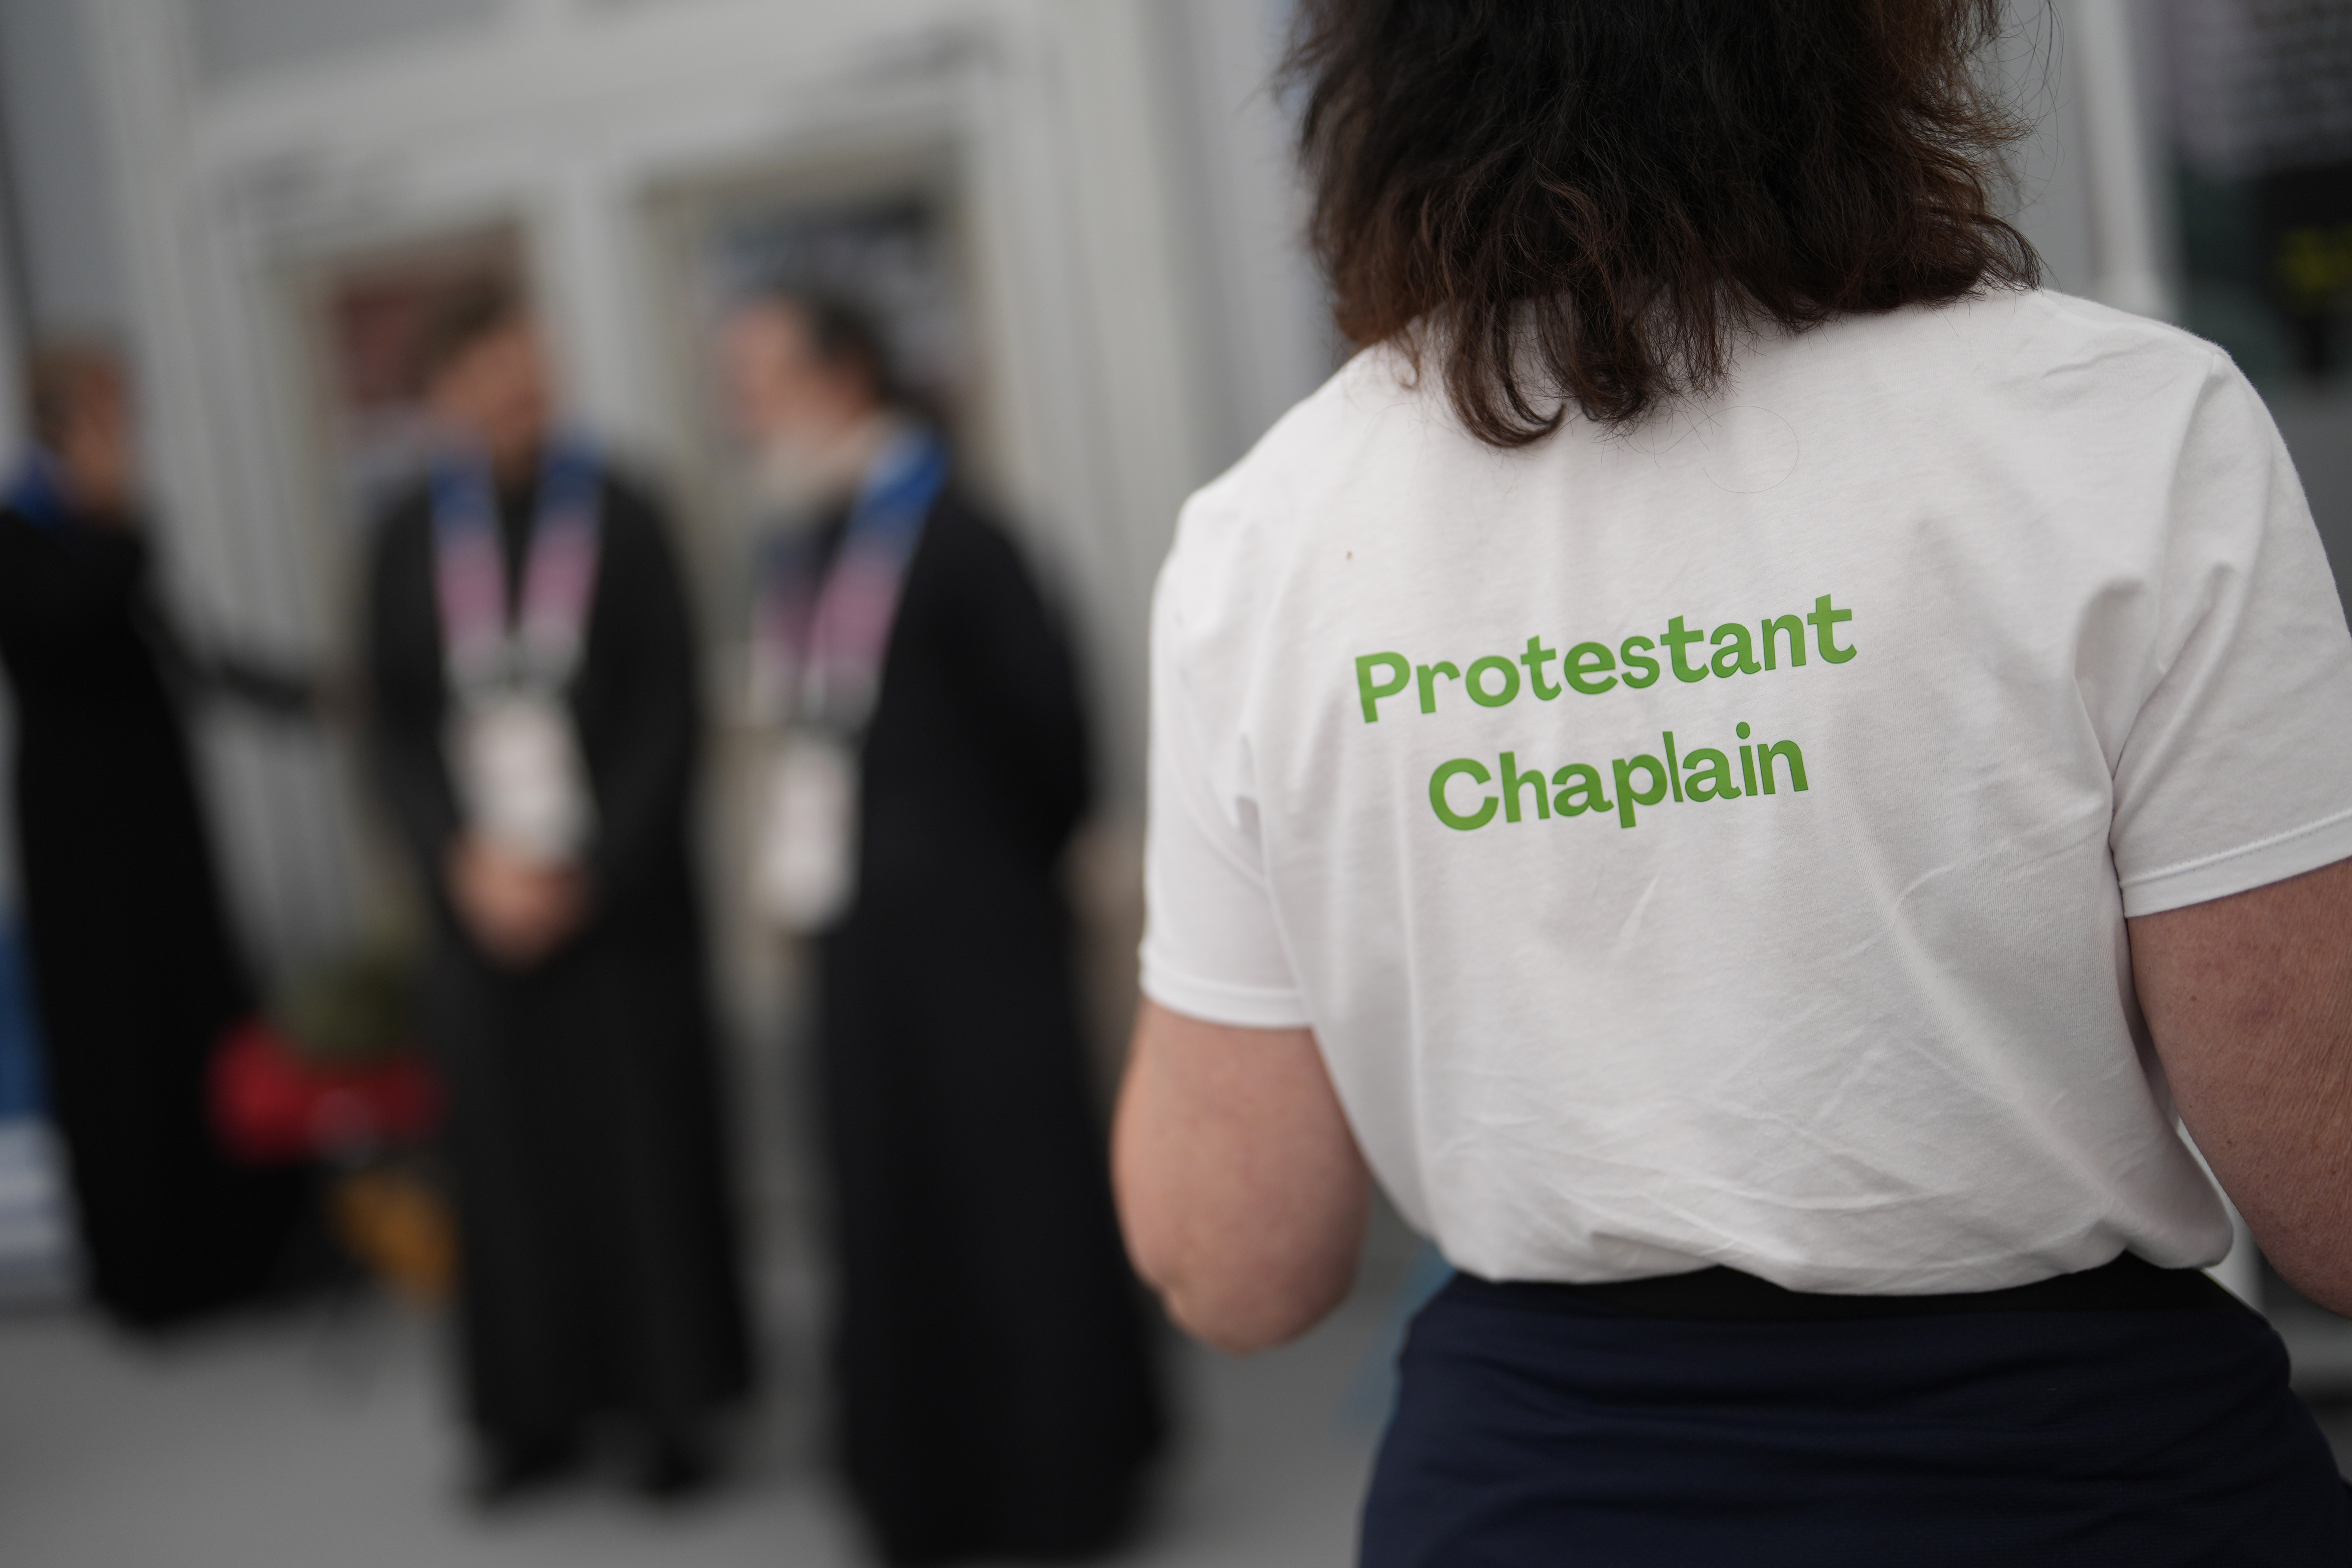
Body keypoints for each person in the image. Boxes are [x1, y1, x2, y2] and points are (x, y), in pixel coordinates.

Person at [1112, 2, 2352, 1563]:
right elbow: (2333, 1185)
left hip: (1533, 1501)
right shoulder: (2125, 432)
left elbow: (1231, 1256)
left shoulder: (1266, 542)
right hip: (2071, 1483)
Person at [722, 290, 1161, 1564]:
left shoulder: (964, 537)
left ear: (845, 370)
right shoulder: (795, 546)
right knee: (886, 1196)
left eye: (761, 372)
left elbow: (1055, 746)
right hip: (858, 952)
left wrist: (968, 875)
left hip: (977, 946)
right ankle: (923, 1477)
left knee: (1014, 1199)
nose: (741, 404)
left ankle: (1059, 1478)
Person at [362, 288, 751, 1501]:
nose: (526, 397)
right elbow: (390, 724)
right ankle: (529, 1417)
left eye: (537, 372)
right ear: (444, 394)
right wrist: (461, 863)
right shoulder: (405, 534)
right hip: (479, 916)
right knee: (507, 1171)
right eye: (496, 378)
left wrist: (589, 867)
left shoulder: (623, 509)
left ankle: (670, 1413)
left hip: (618, 912)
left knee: (646, 1162)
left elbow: (671, 707)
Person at [0, 345, 309, 1331]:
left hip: (157, 817)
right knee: (117, 1035)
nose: (126, 429)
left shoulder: (108, 524)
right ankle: (153, 1269)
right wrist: (114, 507)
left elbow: (175, 646)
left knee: (195, 1013)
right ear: (65, 418)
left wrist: (301, 695)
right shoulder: (21, 530)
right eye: (108, 410)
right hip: (80, 831)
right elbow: (74, 624)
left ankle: (237, 1249)